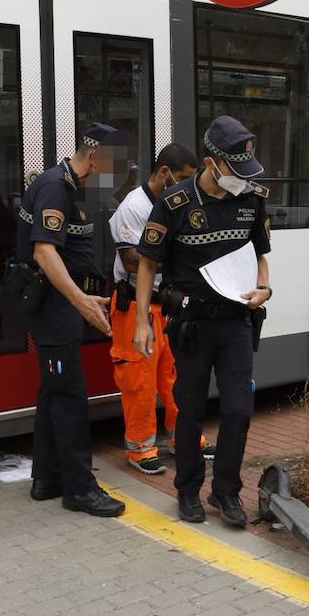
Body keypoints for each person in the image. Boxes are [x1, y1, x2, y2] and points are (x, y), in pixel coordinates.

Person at [132, 116, 272, 528]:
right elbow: (146, 263)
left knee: (238, 410)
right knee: (190, 410)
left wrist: (265, 288)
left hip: (236, 323)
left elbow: (260, 254)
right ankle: (188, 490)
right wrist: (142, 322)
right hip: (191, 324)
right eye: (234, 170)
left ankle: (225, 491)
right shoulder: (175, 202)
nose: (241, 179)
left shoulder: (252, 198)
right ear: (212, 163)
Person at [14, 123, 125, 518]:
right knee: (70, 398)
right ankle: (80, 489)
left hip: (57, 303)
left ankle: (46, 479)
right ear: (94, 158)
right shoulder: (56, 187)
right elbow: (44, 252)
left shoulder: (69, 186)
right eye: (115, 166)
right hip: (54, 306)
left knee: (52, 392)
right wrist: (80, 302)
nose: (117, 176)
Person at [107, 143, 202, 474]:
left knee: (176, 376)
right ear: (165, 173)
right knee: (139, 380)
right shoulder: (133, 208)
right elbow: (132, 261)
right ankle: (140, 447)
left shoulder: (178, 203)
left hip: (168, 305)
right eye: (184, 178)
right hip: (135, 305)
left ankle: (184, 439)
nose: (188, 185)